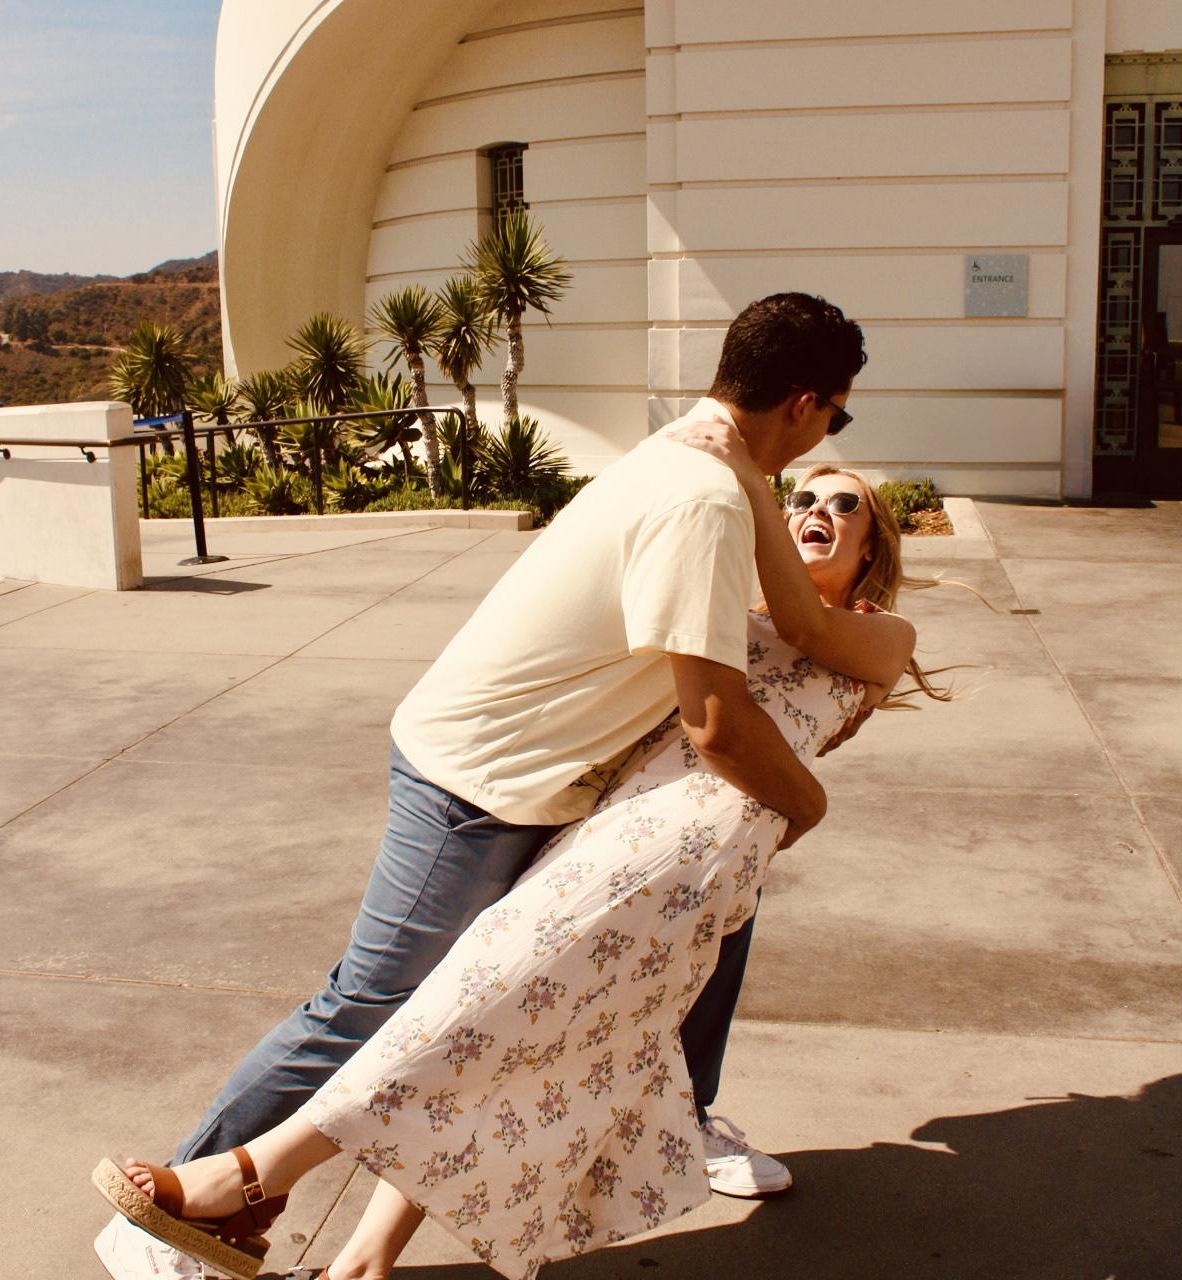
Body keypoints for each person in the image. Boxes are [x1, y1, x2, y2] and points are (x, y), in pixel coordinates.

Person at [95, 293, 868, 1279]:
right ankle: (171, 1212)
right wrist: (808, 803)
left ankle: (274, 1220)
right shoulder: (705, 498)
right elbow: (713, 720)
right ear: (803, 403)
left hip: (517, 774)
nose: (827, 439)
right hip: (477, 780)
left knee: (480, 1013)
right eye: (837, 415)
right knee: (369, 1007)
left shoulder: (691, 459)